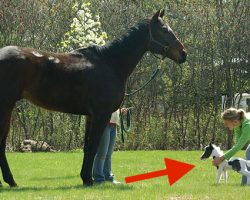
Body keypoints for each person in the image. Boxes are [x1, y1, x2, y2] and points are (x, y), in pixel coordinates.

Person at [213, 107, 250, 185]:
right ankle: (245, 185)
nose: (225, 125)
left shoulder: (247, 125)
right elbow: (237, 144)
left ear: (234, 121)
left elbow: (239, 146)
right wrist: (224, 158)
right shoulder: (238, 125)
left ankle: (245, 184)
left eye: (226, 123)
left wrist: (221, 158)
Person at [93, 108, 127, 185]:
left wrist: (120, 111)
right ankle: (98, 179)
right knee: (102, 153)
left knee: (109, 154)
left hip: (113, 125)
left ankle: (108, 178)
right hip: (104, 125)